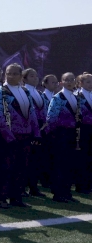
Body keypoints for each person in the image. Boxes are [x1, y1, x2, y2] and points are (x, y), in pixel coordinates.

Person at [0, 63, 40, 209]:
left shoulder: (25, 91)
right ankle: (2, 198)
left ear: (20, 76)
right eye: (8, 73)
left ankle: (16, 197)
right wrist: (9, 136)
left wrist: (36, 132)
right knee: (5, 168)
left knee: (21, 167)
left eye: (14, 74)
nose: (11, 76)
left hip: (24, 136)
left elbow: (32, 113)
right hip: (6, 137)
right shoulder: (0, 92)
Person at [45, 72, 81, 203]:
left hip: (72, 135)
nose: (70, 82)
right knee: (60, 165)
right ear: (62, 82)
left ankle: (67, 192)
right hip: (60, 135)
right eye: (67, 80)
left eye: (72, 79)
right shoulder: (58, 97)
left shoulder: (76, 97)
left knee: (69, 165)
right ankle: (58, 193)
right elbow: (51, 118)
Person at [22, 68, 48, 197]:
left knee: (36, 159)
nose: (35, 78)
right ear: (24, 79)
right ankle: (22, 187)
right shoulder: (23, 91)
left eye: (36, 76)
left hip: (40, 129)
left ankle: (33, 187)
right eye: (32, 76)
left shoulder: (39, 92)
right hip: (30, 129)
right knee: (25, 160)